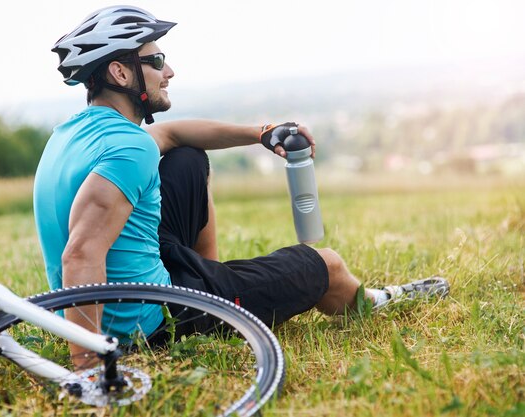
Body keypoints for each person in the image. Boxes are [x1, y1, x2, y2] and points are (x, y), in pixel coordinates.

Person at [34, 6, 449, 365]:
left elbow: (176, 136)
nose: (169, 70)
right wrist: (89, 365)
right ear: (120, 72)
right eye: (156, 60)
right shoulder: (130, 149)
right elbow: (81, 253)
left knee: (188, 158)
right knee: (325, 265)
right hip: (151, 321)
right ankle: (378, 299)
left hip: (128, 283)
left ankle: (211, 278)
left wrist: (262, 133)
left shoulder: (71, 134)